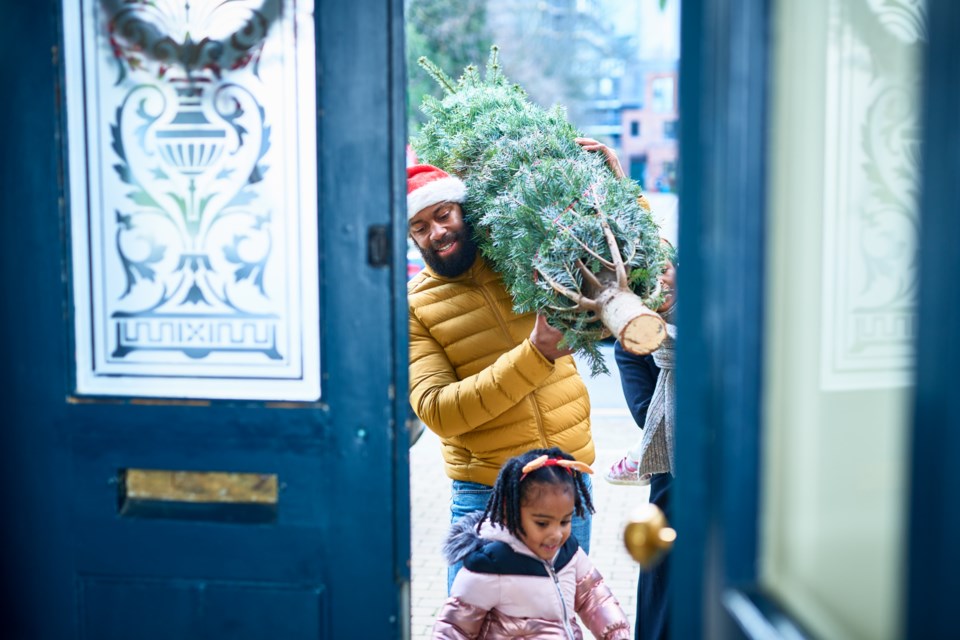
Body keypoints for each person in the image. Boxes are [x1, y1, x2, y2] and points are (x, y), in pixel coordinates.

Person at [406, 162, 596, 592]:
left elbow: (621, 256)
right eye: (420, 226)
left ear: (464, 211)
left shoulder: (524, 259)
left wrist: (614, 183)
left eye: (443, 215)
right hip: (486, 494)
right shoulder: (414, 306)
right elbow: (438, 411)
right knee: (473, 624)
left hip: (565, 483)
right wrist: (536, 355)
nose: (436, 232)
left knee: (560, 619)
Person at [432, 447, 631, 640]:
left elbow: (593, 597)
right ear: (510, 512)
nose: (555, 534)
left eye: (564, 521)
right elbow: (454, 628)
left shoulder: (569, 551)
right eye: (542, 523)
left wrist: (616, 632)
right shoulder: (491, 565)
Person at [607, 249, 678, 640]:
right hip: (672, 470)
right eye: (641, 279)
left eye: (662, 269)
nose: (657, 283)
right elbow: (641, 410)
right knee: (664, 582)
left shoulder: (711, 313)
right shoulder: (632, 340)